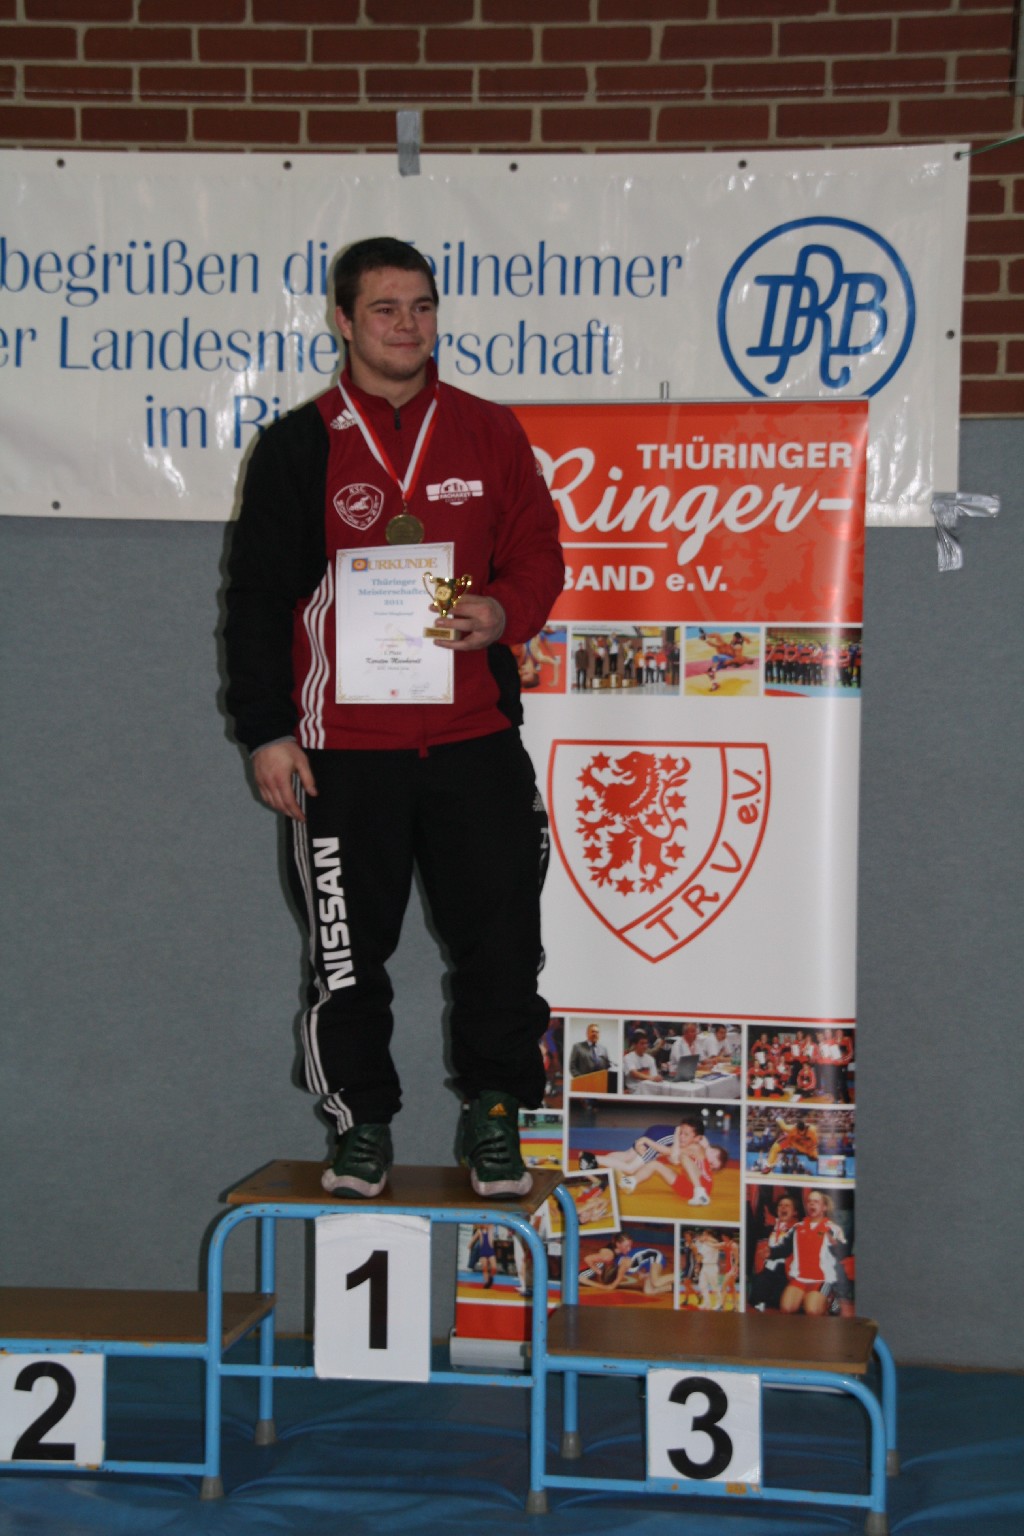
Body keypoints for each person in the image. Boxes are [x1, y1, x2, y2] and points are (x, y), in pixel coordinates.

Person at [224, 237, 565, 1201]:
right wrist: (267, 730)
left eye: (421, 306)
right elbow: (256, 602)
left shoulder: (490, 432)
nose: (406, 325)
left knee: (504, 945)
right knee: (346, 954)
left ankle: (494, 1115)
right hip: (342, 753)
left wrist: (504, 611)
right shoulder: (299, 446)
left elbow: (539, 552)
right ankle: (360, 1124)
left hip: (472, 741)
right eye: (384, 308)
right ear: (343, 321)